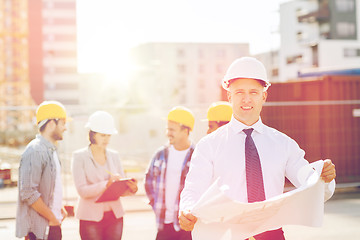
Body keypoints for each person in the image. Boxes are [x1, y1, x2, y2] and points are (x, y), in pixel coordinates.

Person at [178, 57, 336, 239]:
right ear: (229, 96)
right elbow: (193, 187)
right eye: (239, 92)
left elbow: (308, 180)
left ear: (264, 96)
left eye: (253, 92)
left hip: (272, 234)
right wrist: (187, 209)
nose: (246, 99)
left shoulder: (283, 144)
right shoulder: (209, 146)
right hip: (227, 234)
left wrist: (322, 177)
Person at [71, 111, 138, 240]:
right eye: (102, 135)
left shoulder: (114, 156)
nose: (106, 139)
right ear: (92, 134)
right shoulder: (79, 157)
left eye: (109, 135)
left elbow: (120, 189)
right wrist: (106, 184)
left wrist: (130, 189)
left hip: (115, 217)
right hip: (90, 218)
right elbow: (82, 191)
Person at [16, 101, 70, 240]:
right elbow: (28, 192)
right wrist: (52, 218)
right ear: (51, 124)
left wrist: (58, 207)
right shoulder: (36, 151)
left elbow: (48, 186)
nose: (65, 128)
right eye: (63, 123)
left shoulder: (50, 150)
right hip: (41, 230)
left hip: (51, 225)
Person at [145, 106, 196, 240]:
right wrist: (155, 204)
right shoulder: (160, 154)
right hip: (164, 225)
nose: (168, 133)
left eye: (172, 129)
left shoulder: (197, 156)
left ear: (185, 131)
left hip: (188, 227)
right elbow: (148, 181)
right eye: (167, 129)